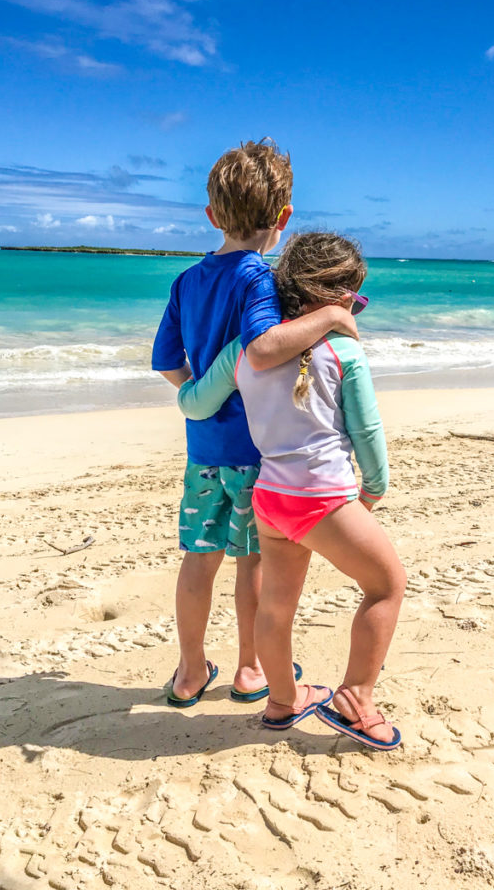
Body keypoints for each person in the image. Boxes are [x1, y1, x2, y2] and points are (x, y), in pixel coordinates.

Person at [177, 231, 406, 750]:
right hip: (321, 498)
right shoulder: (343, 348)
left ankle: (283, 701)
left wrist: (185, 382)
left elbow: (194, 404)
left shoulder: (244, 351)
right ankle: (357, 700)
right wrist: (373, 490)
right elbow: (367, 433)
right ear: (343, 298)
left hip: (269, 499)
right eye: (357, 301)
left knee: (276, 610)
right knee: (387, 586)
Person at [152, 143, 359, 708]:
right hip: (256, 452)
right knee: (252, 561)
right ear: (284, 218)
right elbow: (265, 347)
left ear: (212, 216)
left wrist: (202, 396)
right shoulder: (258, 279)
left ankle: (190, 671)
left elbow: (170, 363)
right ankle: (247, 668)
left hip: (203, 452)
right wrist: (333, 316)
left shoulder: (187, 282)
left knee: (199, 560)